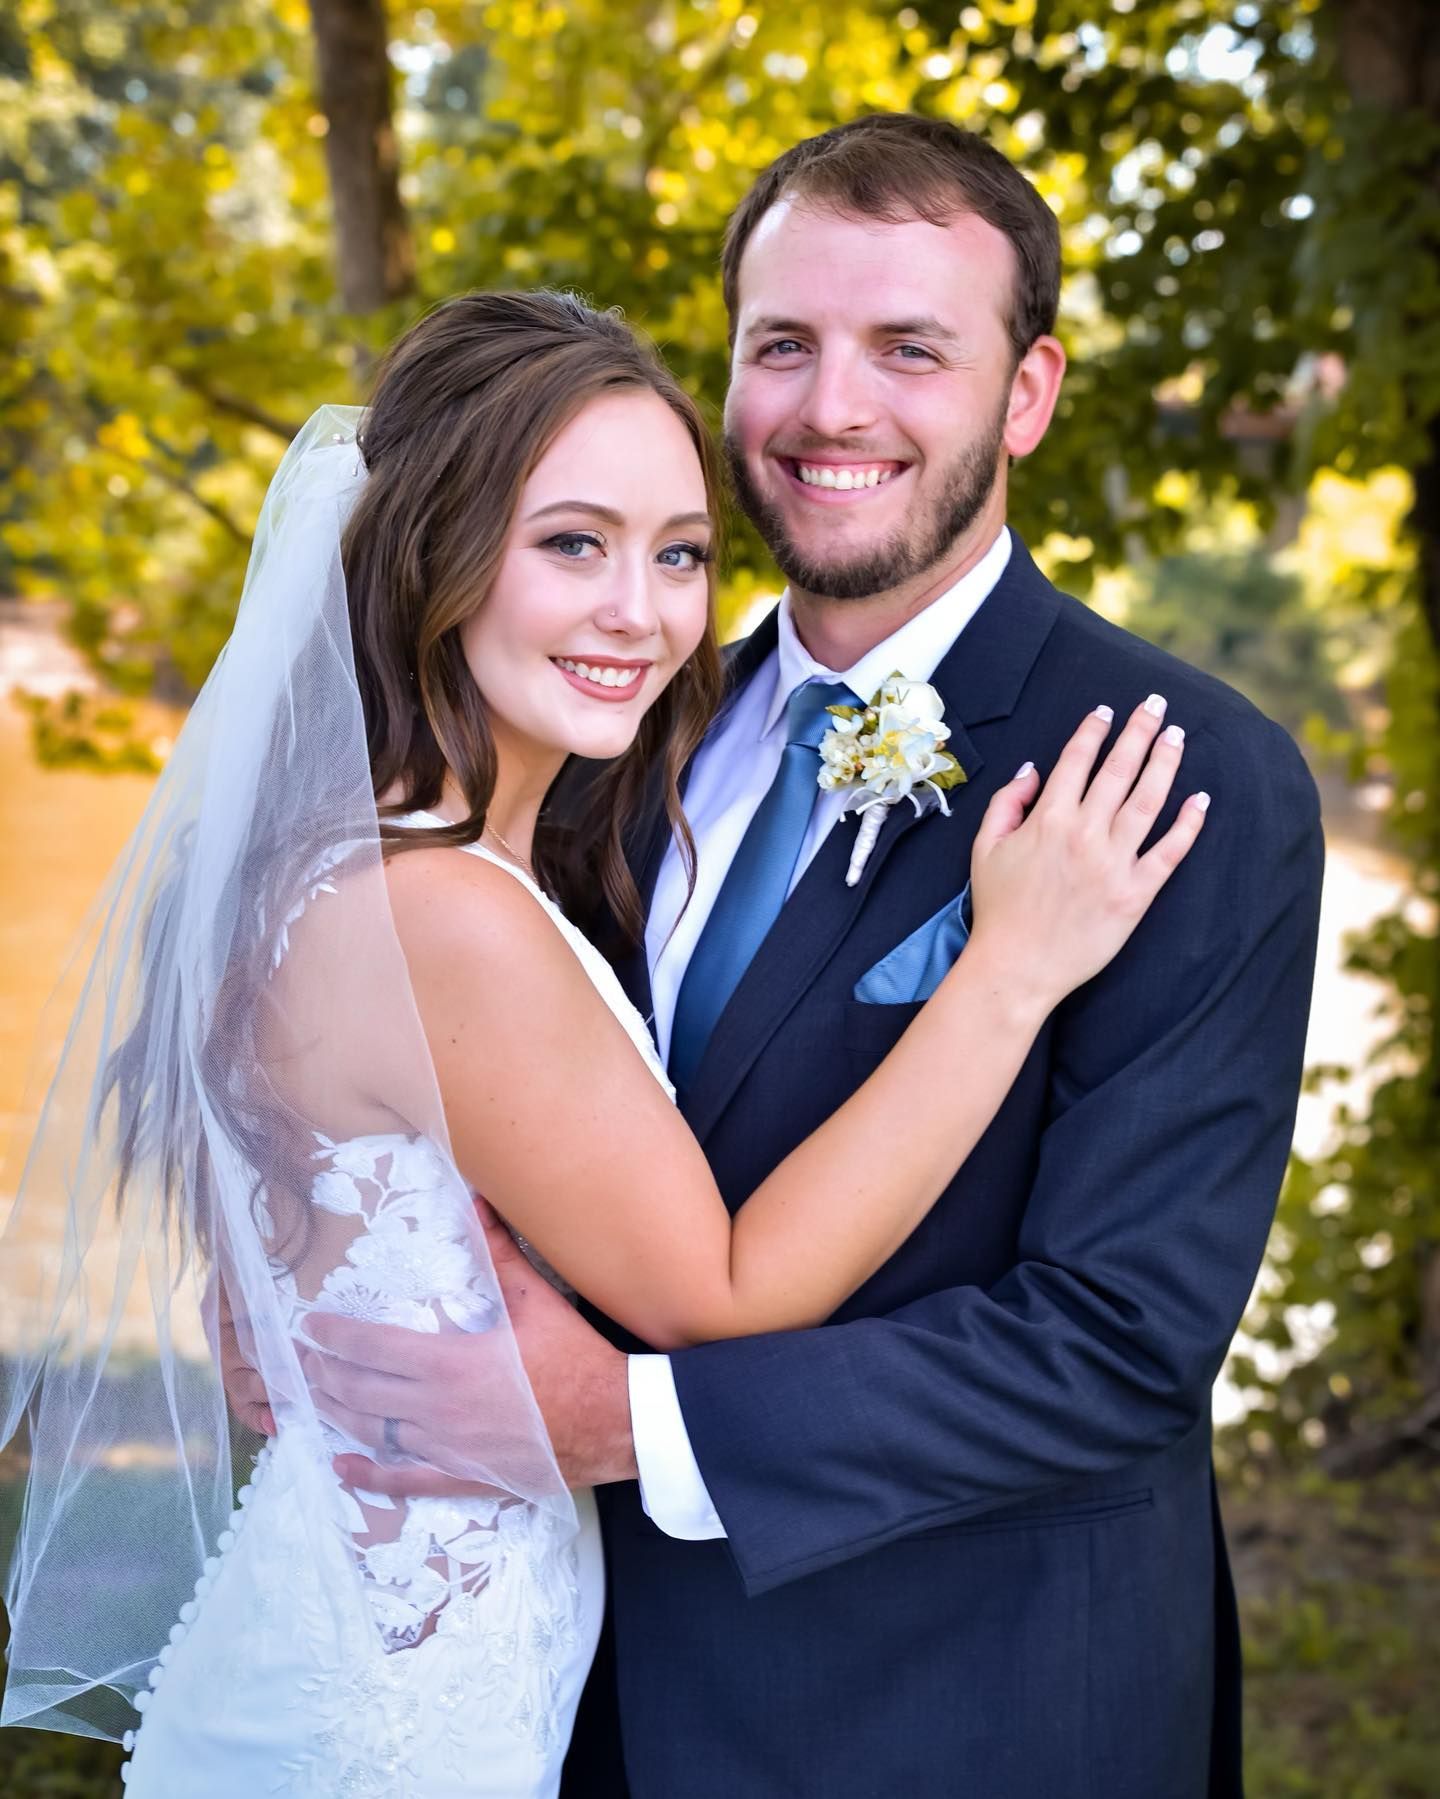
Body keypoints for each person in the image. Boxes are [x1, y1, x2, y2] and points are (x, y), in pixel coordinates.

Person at [0, 286, 1199, 1798]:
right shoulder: (443, 918)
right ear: (437, 552)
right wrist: (1009, 975)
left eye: (680, 553)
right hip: (394, 1717)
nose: (642, 610)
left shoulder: (395, 861)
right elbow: (722, 1293)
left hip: (409, 1647)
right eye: (573, 543)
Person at [301, 118, 1325, 1797]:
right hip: (575, 1695)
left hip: (960, 1718)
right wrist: (316, 1272)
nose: (834, 408)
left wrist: (622, 1424)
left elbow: (1117, 1339)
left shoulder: (1172, 777)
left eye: (910, 349)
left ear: (1028, 393)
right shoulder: (608, 708)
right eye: (785, 346)